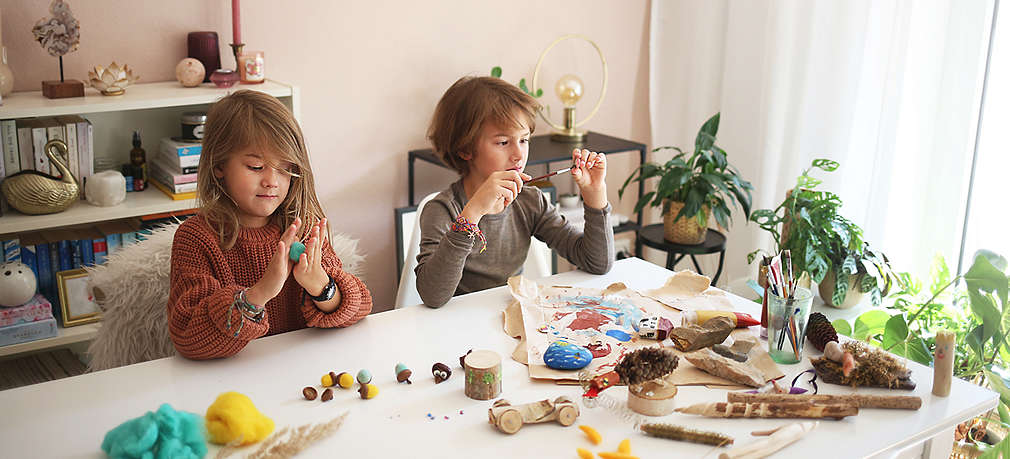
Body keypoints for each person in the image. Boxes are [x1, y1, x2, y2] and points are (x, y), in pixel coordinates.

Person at [168, 90, 372, 359]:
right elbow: (188, 338)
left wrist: (321, 286)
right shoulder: (196, 238)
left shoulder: (304, 227)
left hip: (303, 375)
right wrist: (259, 294)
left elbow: (359, 308)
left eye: (285, 167)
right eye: (255, 167)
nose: (272, 181)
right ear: (219, 164)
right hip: (233, 385)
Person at [416, 76, 614, 307]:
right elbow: (433, 296)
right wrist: (473, 214)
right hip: (459, 327)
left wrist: (595, 194)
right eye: (503, 142)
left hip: (510, 319)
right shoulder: (442, 210)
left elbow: (597, 262)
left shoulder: (530, 201)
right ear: (465, 149)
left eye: (524, 140)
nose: (519, 154)